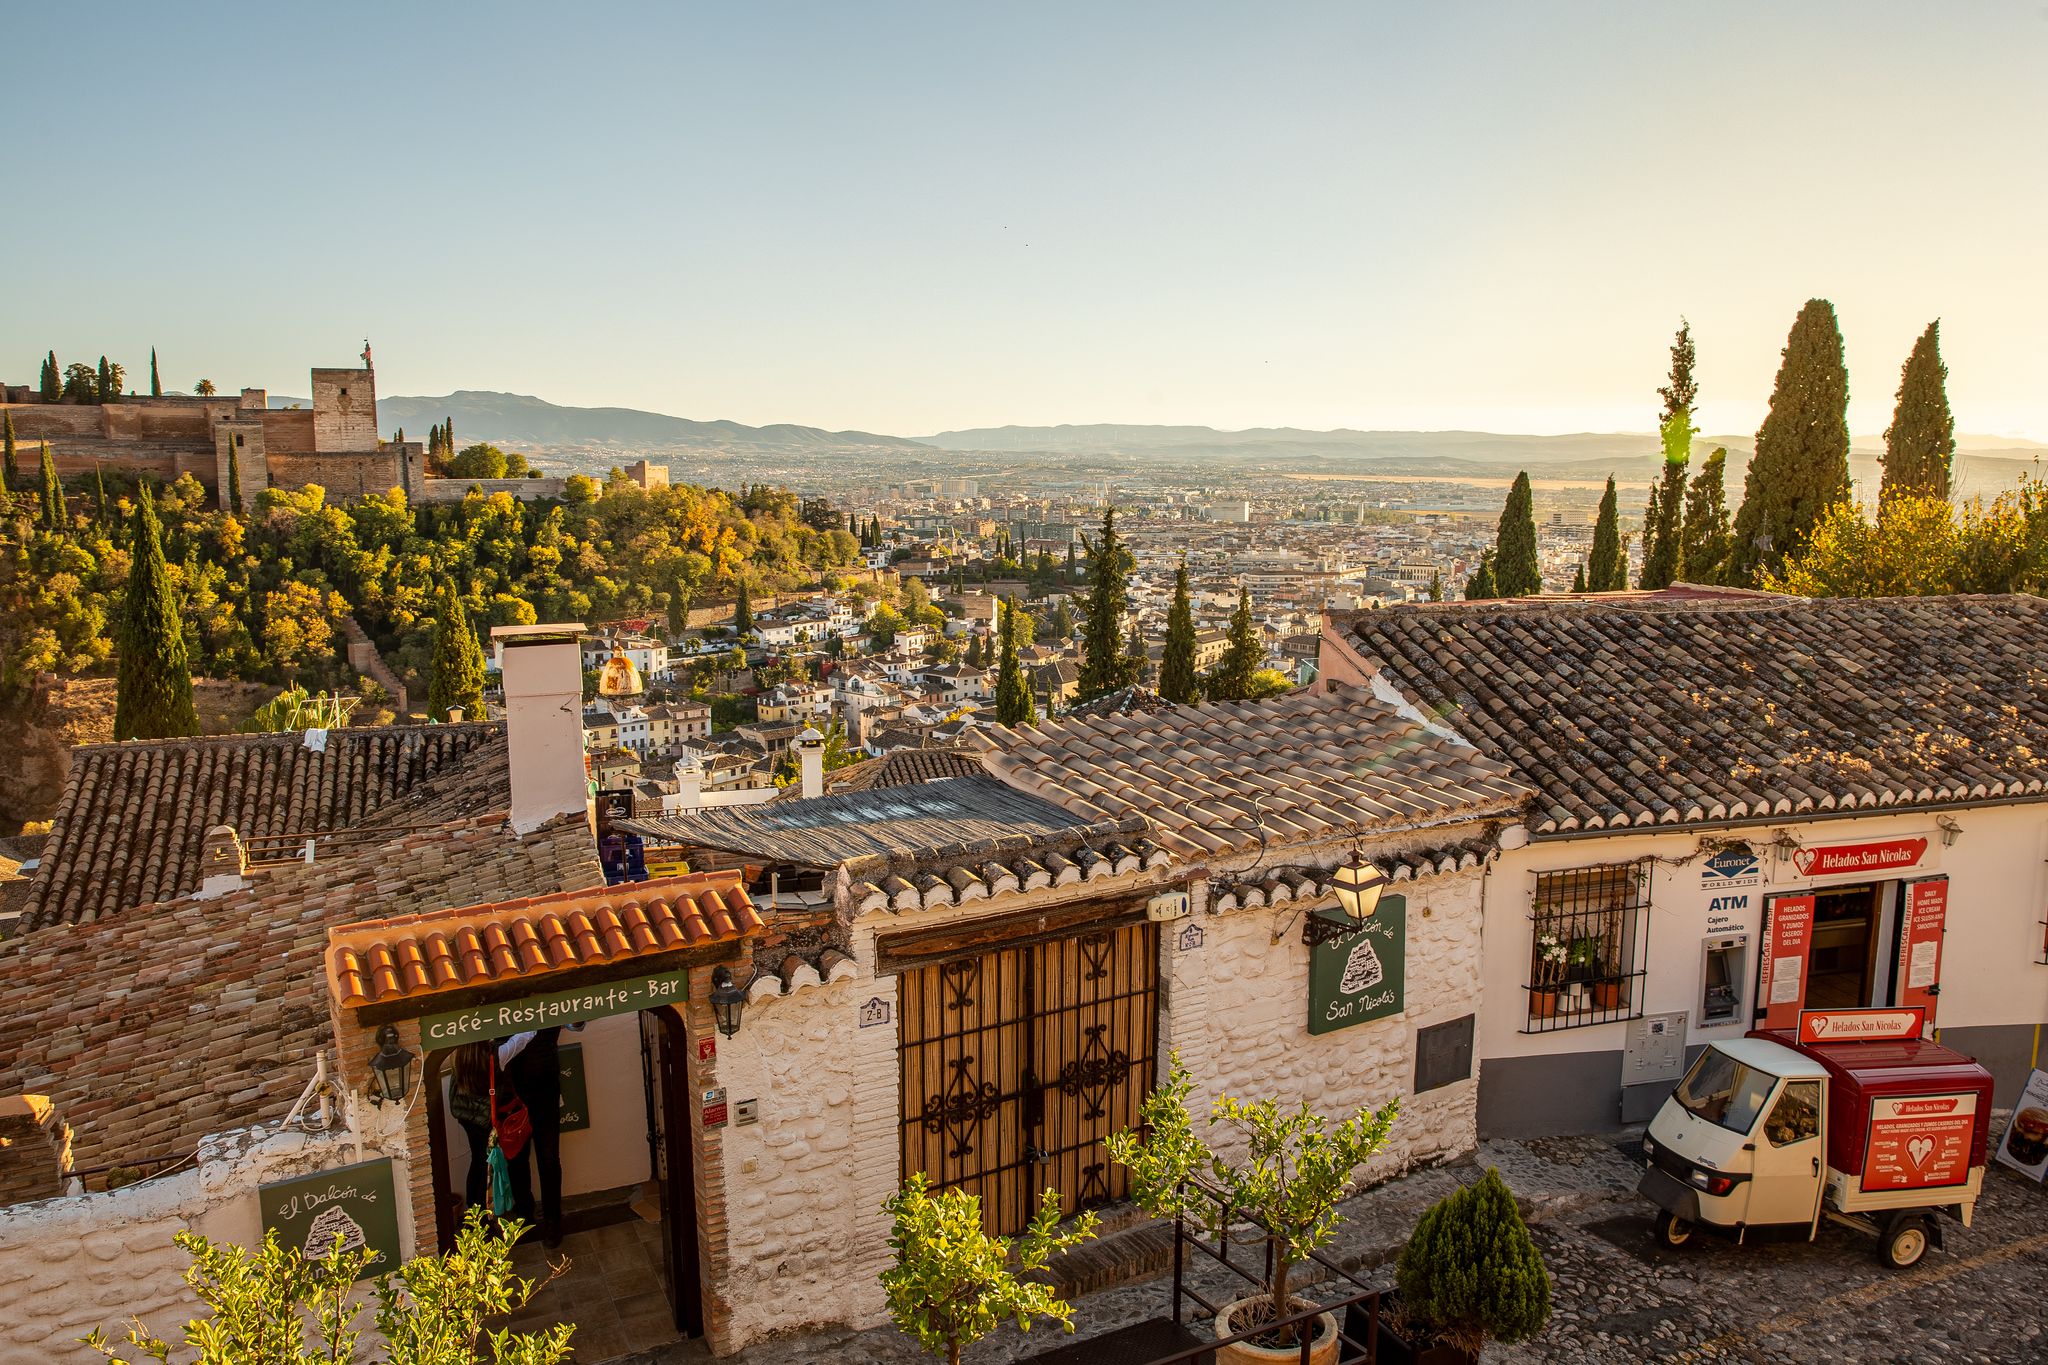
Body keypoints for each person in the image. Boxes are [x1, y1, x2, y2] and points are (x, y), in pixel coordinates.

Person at [500, 1026, 567, 1247]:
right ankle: (525, 1216)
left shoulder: (549, 1003)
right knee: (517, 1160)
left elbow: (574, 1021)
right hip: (513, 1098)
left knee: (548, 1160)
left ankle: (552, 1222)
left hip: (545, 1094)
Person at [447, 1042, 496, 1216]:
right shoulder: (487, 1057)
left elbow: (455, 1097)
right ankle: (482, 1212)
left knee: (477, 1162)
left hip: (468, 1120)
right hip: (484, 1120)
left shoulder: (459, 1058)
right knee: (485, 1165)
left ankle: (473, 1210)